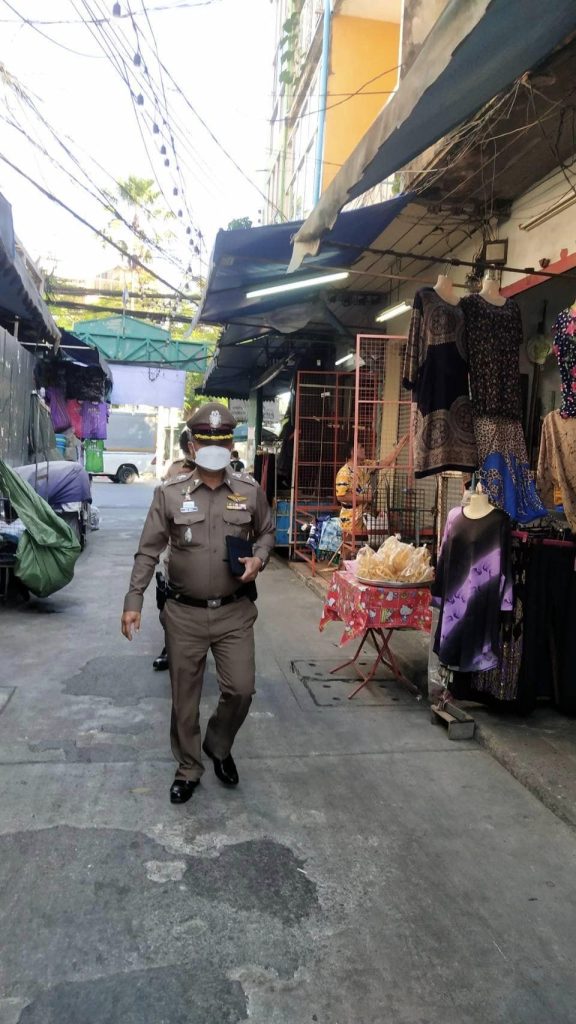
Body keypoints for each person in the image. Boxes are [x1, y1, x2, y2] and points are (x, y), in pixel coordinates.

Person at [121, 402, 275, 805]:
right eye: (206, 442)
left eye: (221, 442)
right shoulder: (170, 494)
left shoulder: (248, 491)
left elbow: (266, 531)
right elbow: (148, 550)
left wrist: (259, 558)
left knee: (241, 689)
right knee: (184, 700)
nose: (214, 449)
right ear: (192, 445)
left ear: (231, 445)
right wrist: (134, 599)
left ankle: (218, 744)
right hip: (183, 614)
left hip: (234, 612)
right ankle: (188, 767)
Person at [152, 429, 195, 672]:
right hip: (178, 542)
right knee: (171, 600)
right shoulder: (175, 470)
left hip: (206, 546)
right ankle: (170, 647)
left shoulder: (220, 470)